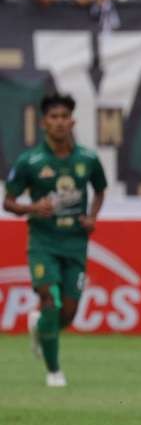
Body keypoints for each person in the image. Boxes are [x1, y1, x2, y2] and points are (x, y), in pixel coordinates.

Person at [3, 93, 108, 388]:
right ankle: (54, 371)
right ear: (43, 123)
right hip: (43, 242)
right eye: (54, 117)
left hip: (75, 242)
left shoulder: (87, 159)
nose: (60, 122)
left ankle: (39, 326)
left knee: (69, 313)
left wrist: (92, 216)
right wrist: (32, 208)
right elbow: (8, 202)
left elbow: (99, 190)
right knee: (49, 298)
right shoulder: (30, 161)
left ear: (72, 121)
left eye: (64, 117)